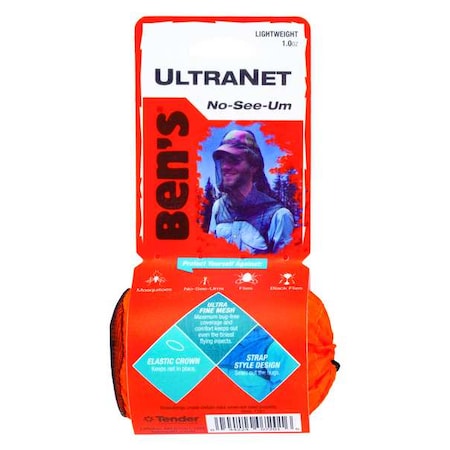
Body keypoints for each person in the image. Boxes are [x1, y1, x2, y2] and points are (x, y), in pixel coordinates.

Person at [208, 129, 294, 254]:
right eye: (223, 160)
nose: (225, 167)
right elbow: (210, 255)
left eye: (234, 160)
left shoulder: (279, 216)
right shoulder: (219, 207)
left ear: (254, 165)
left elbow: (285, 265)